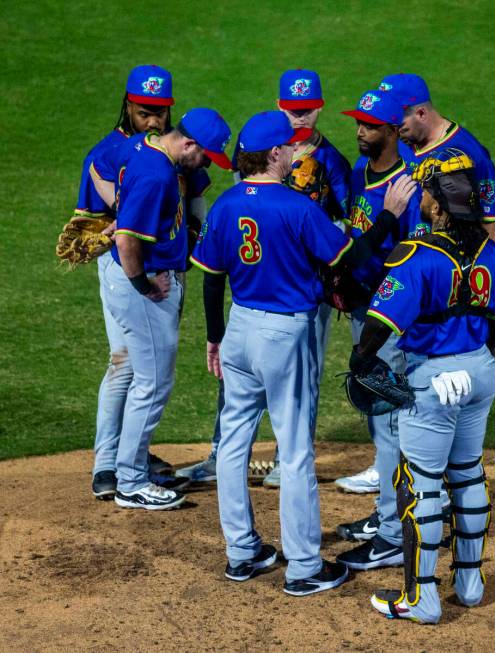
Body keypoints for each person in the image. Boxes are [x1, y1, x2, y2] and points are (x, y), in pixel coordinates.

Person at [190, 110, 416, 594]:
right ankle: (305, 566)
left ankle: (242, 552)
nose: (297, 152)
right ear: (274, 155)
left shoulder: (227, 204)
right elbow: (351, 257)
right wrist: (389, 217)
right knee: (293, 450)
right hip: (283, 334)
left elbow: (211, 280)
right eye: (290, 147)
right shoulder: (296, 208)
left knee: (232, 443)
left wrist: (215, 336)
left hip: (239, 329)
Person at [353, 149, 495, 623]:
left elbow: (379, 324)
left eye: (426, 191)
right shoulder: (493, 253)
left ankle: (421, 599)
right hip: (480, 373)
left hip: (433, 378)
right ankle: (469, 583)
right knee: (467, 472)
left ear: (438, 204)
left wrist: (362, 361)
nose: (421, 198)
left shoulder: (416, 256)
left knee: (419, 484)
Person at [177, 68, 353, 489]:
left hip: (306, 290)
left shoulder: (332, 163)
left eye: (307, 111)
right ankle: (224, 455)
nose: (300, 119)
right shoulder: (261, 145)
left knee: (302, 379)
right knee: (241, 383)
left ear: (319, 108)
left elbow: (348, 222)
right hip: (255, 288)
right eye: (292, 111)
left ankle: (286, 461)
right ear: (280, 108)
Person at [103, 108, 232, 510]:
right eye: (207, 156)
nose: (207, 165)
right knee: (153, 382)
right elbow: (127, 240)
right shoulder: (158, 174)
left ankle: (131, 469)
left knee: (147, 379)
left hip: (139, 277)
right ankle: (131, 481)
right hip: (144, 285)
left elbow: (102, 167)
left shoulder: (142, 146)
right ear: (189, 144)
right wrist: (144, 284)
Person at [334, 90, 430, 567]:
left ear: (394, 130)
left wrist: (360, 269)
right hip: (361, 309)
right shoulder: (357, 173)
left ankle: (394, 534)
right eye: (358, 123)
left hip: (388, 320)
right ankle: (392, 513)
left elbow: (412, 258)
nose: (360, 132)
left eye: (370, 126)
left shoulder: (408, 184)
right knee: (381, 422)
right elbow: (358, 235)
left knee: (391, 423)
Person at [81, 65, 184, 500]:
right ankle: (113, 466)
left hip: (165, 268)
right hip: (129, 271)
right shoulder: (105, 154)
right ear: (127, 104)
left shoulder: (170, 145)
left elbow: (190, 191)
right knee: (126, 363)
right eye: (145, 112)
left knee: (133, 365)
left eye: (161, 112)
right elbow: (108, 218)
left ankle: (125, 459)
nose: (154, 120)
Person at [379, 73, 495, 242]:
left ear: (421, 113)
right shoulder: (397, 142)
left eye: (398, 123)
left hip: (443, 261)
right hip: (400, 259)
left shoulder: (469, 154)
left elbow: (489, 223)